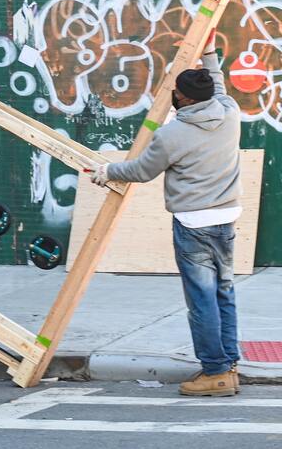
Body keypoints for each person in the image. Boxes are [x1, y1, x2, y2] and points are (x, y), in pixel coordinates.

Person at [92, 34, 242, 397]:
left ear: (184, 99)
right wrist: (209, 56)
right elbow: (217, 85)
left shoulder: (173, 133)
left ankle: (215, 372)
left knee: (201, 300)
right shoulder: (229, 111)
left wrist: (108, 171)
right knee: (224, 291)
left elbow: (142, 171)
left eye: (177, 92)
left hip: (194, 224)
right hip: (226, 217)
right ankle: (229, 362)